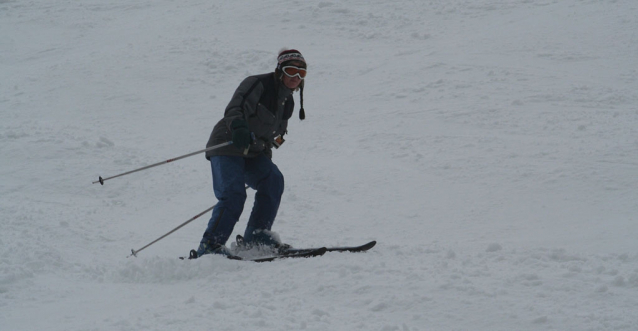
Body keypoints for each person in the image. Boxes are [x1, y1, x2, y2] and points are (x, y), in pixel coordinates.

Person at [194, 49, 308, 258]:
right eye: (292, 71)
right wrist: (238, 127)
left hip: (253, 152)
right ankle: (210, 246)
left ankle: (256, 238)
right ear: (280, 70)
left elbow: (272, 136)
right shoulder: (258, 83)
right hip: (227, 144)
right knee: (234, 194)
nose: (296, 77)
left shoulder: (288, 103)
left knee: (273, 180)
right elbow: (234, 107)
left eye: (302, 74)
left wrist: (265, 153)